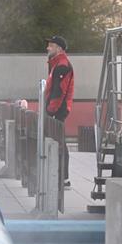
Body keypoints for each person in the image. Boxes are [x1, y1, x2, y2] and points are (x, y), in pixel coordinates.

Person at [44, 35, 74, 188]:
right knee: (58, 141)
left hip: (58, 110)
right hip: (56, 110)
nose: (48, 48)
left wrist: (50, 111)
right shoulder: (57, 64)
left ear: (59, 49)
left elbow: (59, 91)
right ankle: (61, 177)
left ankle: (64, 178)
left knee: (59, 142)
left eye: (51, 45)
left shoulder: (62, 65)